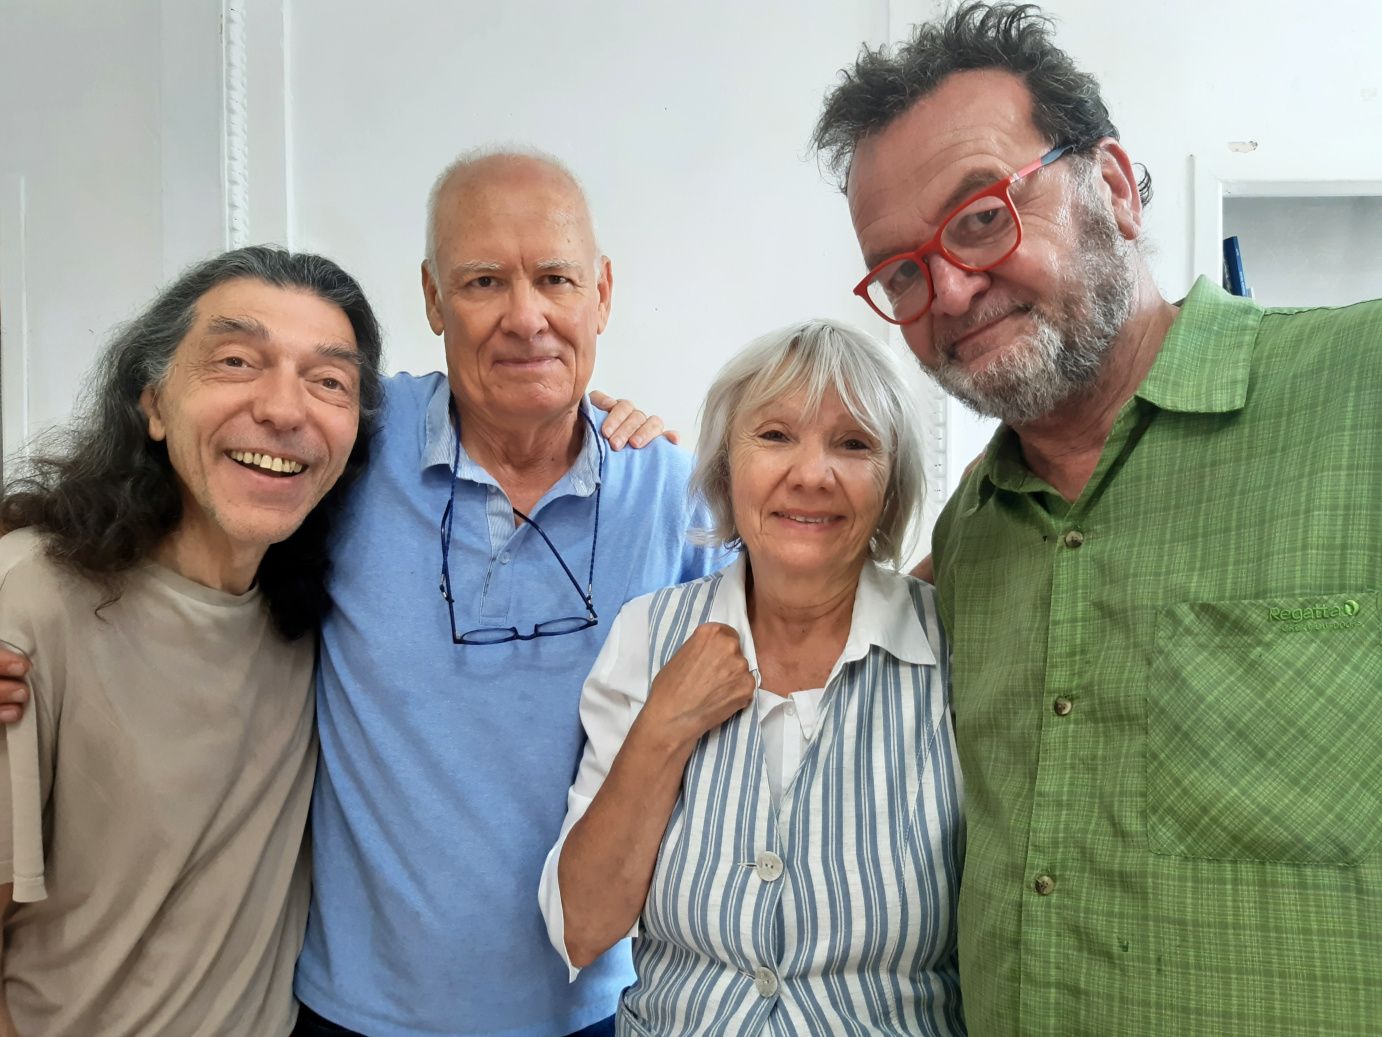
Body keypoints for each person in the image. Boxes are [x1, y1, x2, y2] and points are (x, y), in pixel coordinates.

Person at [812, 3, 1381, 1035]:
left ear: (1111, 187)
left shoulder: (1358, 388)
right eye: (900, 270)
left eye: (980, 213)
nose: (946, 286)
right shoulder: (970, 538)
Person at [289, 149, 728, 1037]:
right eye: (485, 281)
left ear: (601, 293)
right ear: (432, 298)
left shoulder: (671, 492)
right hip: (358, 1015)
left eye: (556, 279)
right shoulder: (349, 448)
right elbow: (178, 506)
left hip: (593, 1011)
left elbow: (791, 644)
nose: (526, 317)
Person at [0, 246, 385, 1037]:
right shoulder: (33, 600)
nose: (284, 409)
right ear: (153, 404)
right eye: (238, 360)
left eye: (329, 381)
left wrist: (595, 426)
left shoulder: (323, 621)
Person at [540, 319, 965, 1036]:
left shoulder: (951, 646)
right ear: (724, 471)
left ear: (891, 489)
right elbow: (582, 926)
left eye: (853, 443)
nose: (811, 472)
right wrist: (664, 725)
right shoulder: (648, 635)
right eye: (774, 436)